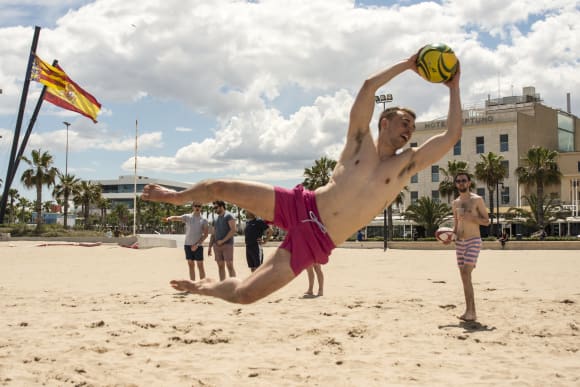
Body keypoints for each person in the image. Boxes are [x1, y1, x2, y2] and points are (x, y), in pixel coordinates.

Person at [142, 51, 463, 304]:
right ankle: (173, 196)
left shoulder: (406, 164)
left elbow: (451, 136)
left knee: (245, 295)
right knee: (218, 187)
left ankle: (205, 289)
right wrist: (408, 65)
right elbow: (369, 87)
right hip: (301, 205)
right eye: (405, 122)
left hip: (317, 240)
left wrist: (454, 87)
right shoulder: (359, 141)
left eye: (412, 127)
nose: (409, 131)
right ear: (385, 123)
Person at [449, 172, 490, 322]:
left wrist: (471, 218)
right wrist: (450, 237)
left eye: (463, 180)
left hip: (473, 240)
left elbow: (486, 221)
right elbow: (456, 225)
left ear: (469, 183)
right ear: (456, 184)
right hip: (460, 242)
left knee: (466, 273)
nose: (461, 183)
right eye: (458, 181)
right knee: (465, 277)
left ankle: (471, 312)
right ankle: (470, 311)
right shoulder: (455, 203)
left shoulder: (477, 200)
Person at [165, 202, 209, 281]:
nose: (197, 207)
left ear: (201, 207)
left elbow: (205, 234)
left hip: (198, 246)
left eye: (199, 206)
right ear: (193, 207)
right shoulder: (187, 217)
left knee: (200, 265)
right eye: (196, 206)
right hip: (187, 245)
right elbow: (177, 218)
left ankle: (203, 285)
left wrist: (197, 244)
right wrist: (170, 218)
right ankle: (193, 284)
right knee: (191, 265)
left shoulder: (204, 220)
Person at [208, 200, 237, 280]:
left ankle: (233, 285)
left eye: (216, 207)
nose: (215, 209)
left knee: (229, 265)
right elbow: (213, 234)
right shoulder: (215, 219)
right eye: (214, 208)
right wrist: (210, 246)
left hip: (227, 245)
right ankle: (223, 285)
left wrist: (222, 241)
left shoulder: (229, 216)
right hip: (217, 246)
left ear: (222, 206)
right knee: (220, 266)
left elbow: (233, 230)